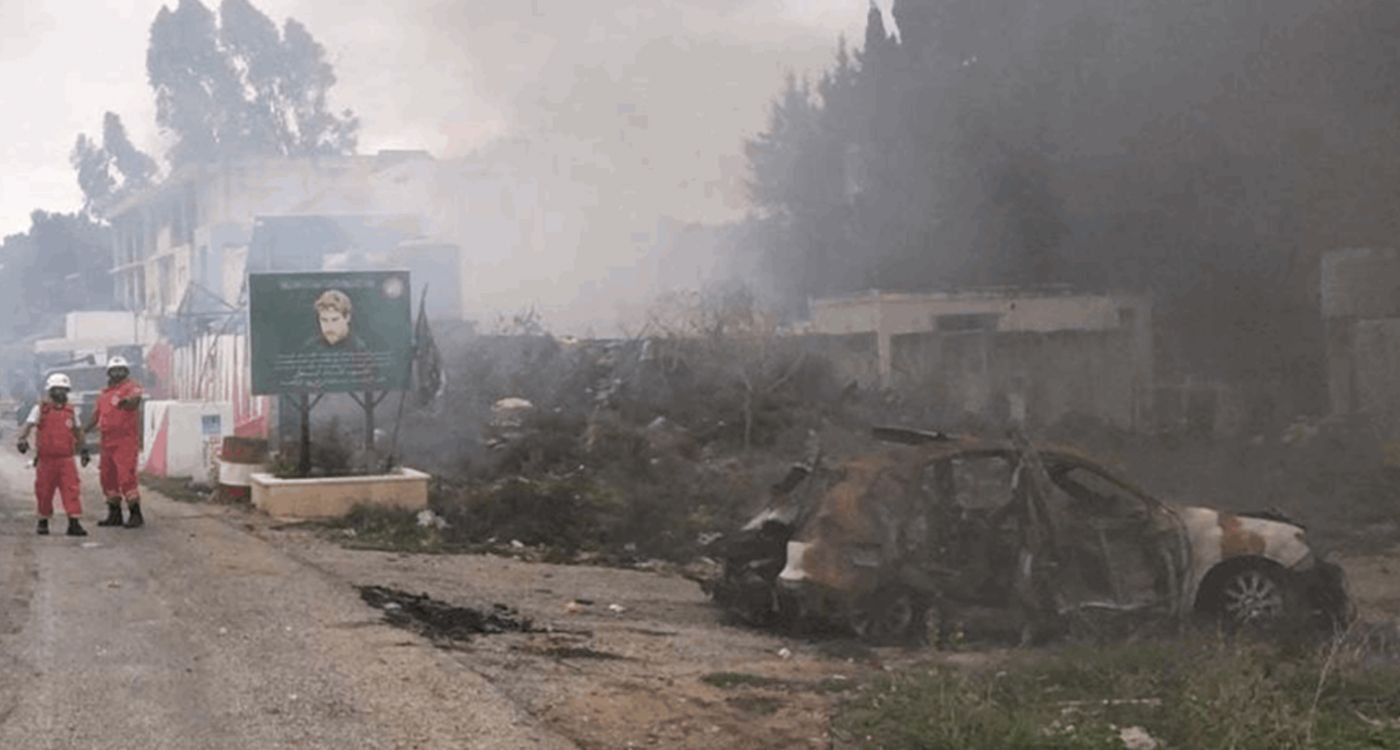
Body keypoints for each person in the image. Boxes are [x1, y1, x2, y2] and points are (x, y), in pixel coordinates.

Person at [16, 373, 90, 536]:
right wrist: (22, 439)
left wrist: (84, 449)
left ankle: (74, 523)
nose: (60, 393)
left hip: (66, 459)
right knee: (44, 491)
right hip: (46, 460)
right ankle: (43, 521)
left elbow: (78, 431)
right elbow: (28, 425)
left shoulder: (71, 411)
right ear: (50, 391)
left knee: (71, 490)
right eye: (56, 390)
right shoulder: (41, 409)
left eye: (63, 390)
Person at [84, 356, 145, 528]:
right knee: (107, 477)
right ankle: (114, 514)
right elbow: (95, 416)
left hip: (125, 440)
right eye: (114, 370)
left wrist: (125, 401)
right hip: (107, 441)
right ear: (109, 373)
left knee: (126, 477)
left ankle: (135, 514)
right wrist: (80, 432)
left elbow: (134, 401)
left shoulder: (131, 387)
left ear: (126, 372)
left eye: (121, 370)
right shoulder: (104, 394)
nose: (117, 373)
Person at [301, 289, 368, 351]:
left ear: (347, 317)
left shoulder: (360, 350)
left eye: (335, 320)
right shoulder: (310, 348)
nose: (329, 326)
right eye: (324, 320)